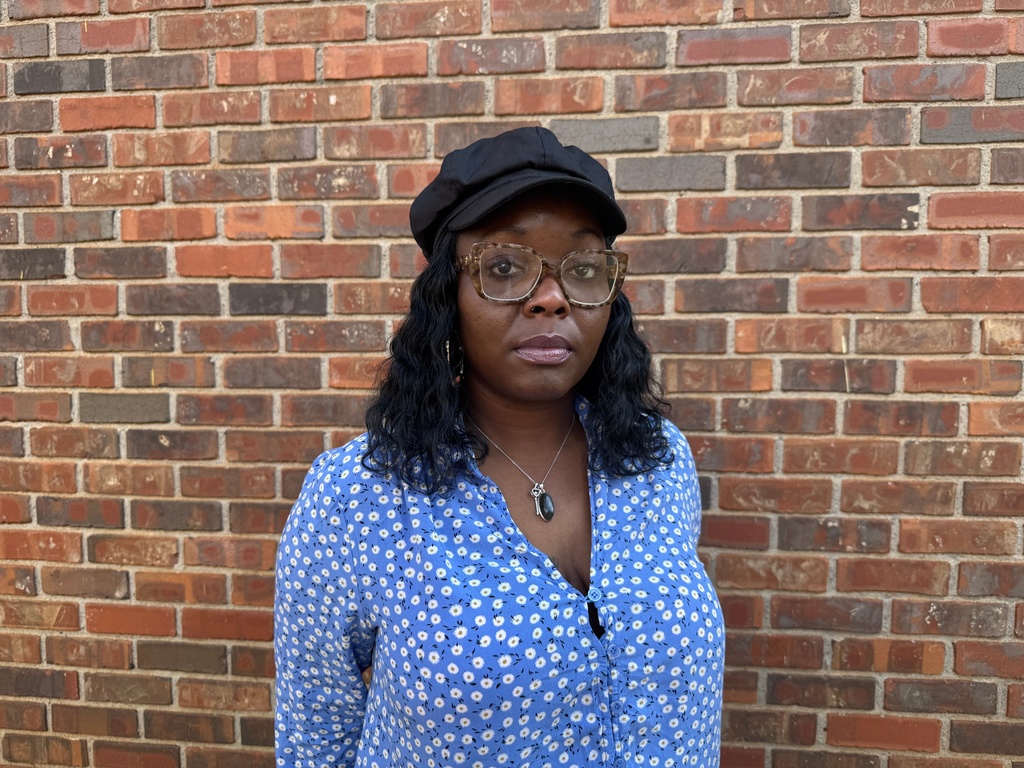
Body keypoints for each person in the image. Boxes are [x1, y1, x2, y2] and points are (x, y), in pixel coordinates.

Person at [274, 126, 724, 768]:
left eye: (583, 268)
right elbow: (316, 732)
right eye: (504, 268)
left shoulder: (658, 461)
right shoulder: (359, 495)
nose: (550, 298)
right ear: (446, 301)